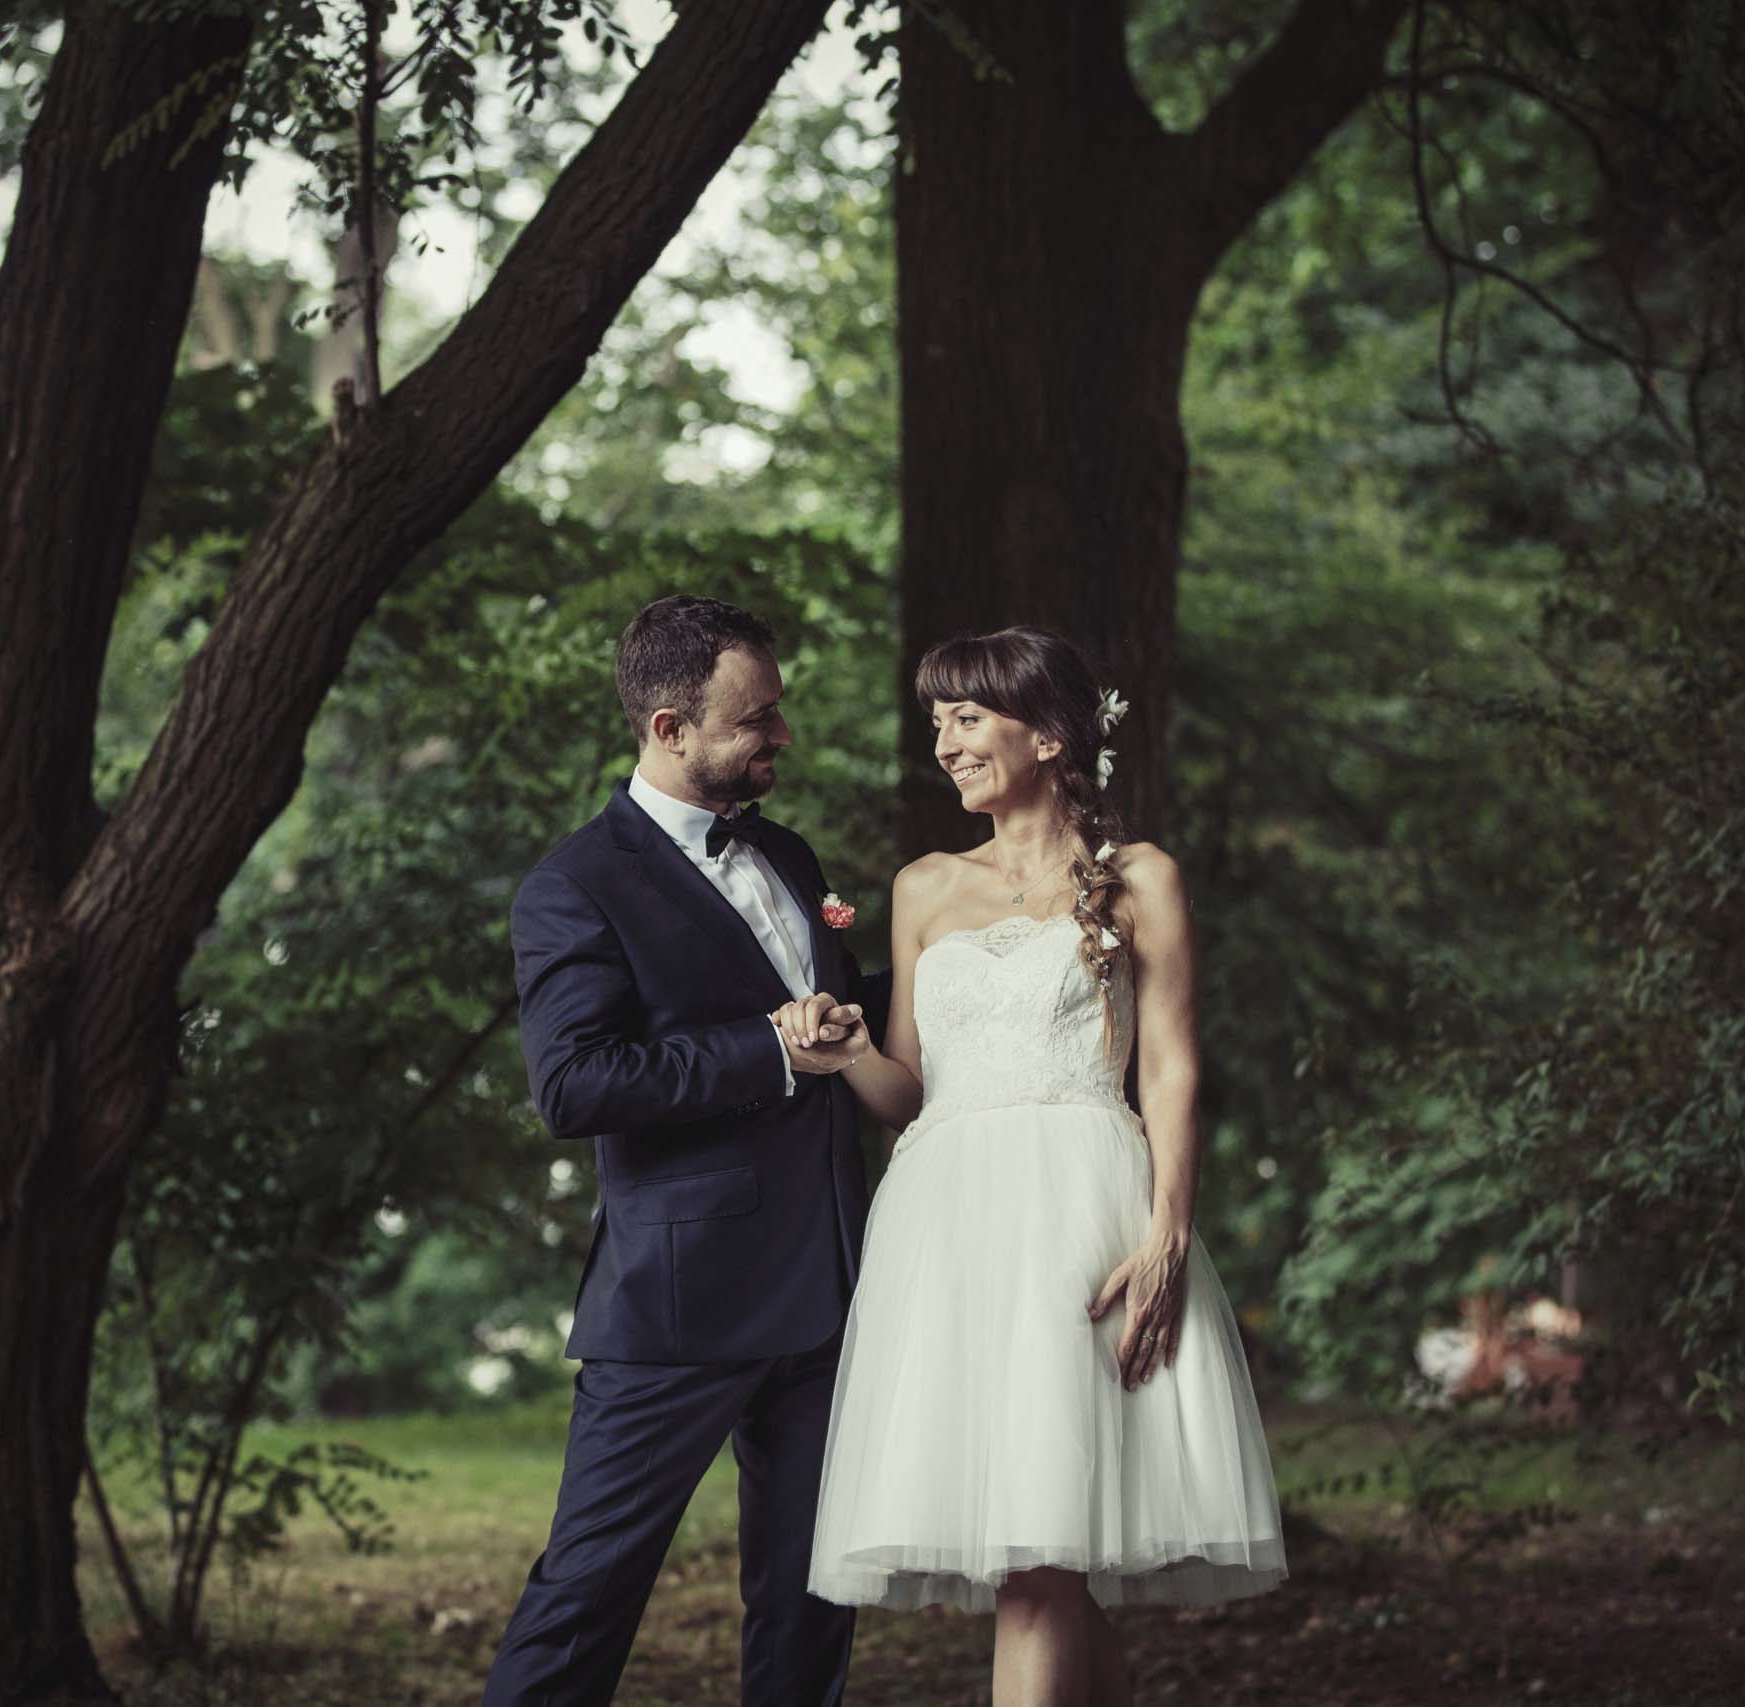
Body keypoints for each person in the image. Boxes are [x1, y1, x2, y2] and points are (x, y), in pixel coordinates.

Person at [795, 624, 1286, 1706]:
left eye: (968, 717)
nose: (945, 743)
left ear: (1051, 735)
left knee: (1039, 1560)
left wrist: (1167, 1232)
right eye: (937, 721)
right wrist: (848, 1054)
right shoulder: (922, 887)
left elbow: (1170, 1068)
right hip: (948, 1233)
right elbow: (909, 1090)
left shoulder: (1139, 877)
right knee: (1047, 1563)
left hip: (1081, 1216)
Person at [481, 594, 884, 1707]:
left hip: (828, 1288)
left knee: (811, 1604)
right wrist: (768, 1049)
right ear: (669, 728)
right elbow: (575, 1084)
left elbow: (839, 1010)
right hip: (678, 1305)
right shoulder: (573, 885)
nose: (781, 735)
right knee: (584, 1598)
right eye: (755, 720)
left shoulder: (786, 851)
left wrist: (986, 954)